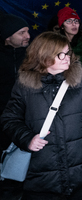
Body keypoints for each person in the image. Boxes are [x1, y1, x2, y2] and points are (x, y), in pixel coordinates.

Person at [0, 32, 82, 200]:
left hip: (77, 175)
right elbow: (9, 119)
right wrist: (27, 138)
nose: (67, 58)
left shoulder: (79, 81)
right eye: (60, 54)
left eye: (68, 52)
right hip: (40, 180)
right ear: (43, 55)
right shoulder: (24, 85)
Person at [0, 13, 30, 199]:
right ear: (7, 36)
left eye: (27, 31)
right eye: (22, 32)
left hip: (24, 123)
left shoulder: (32, 58)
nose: (27, 35)